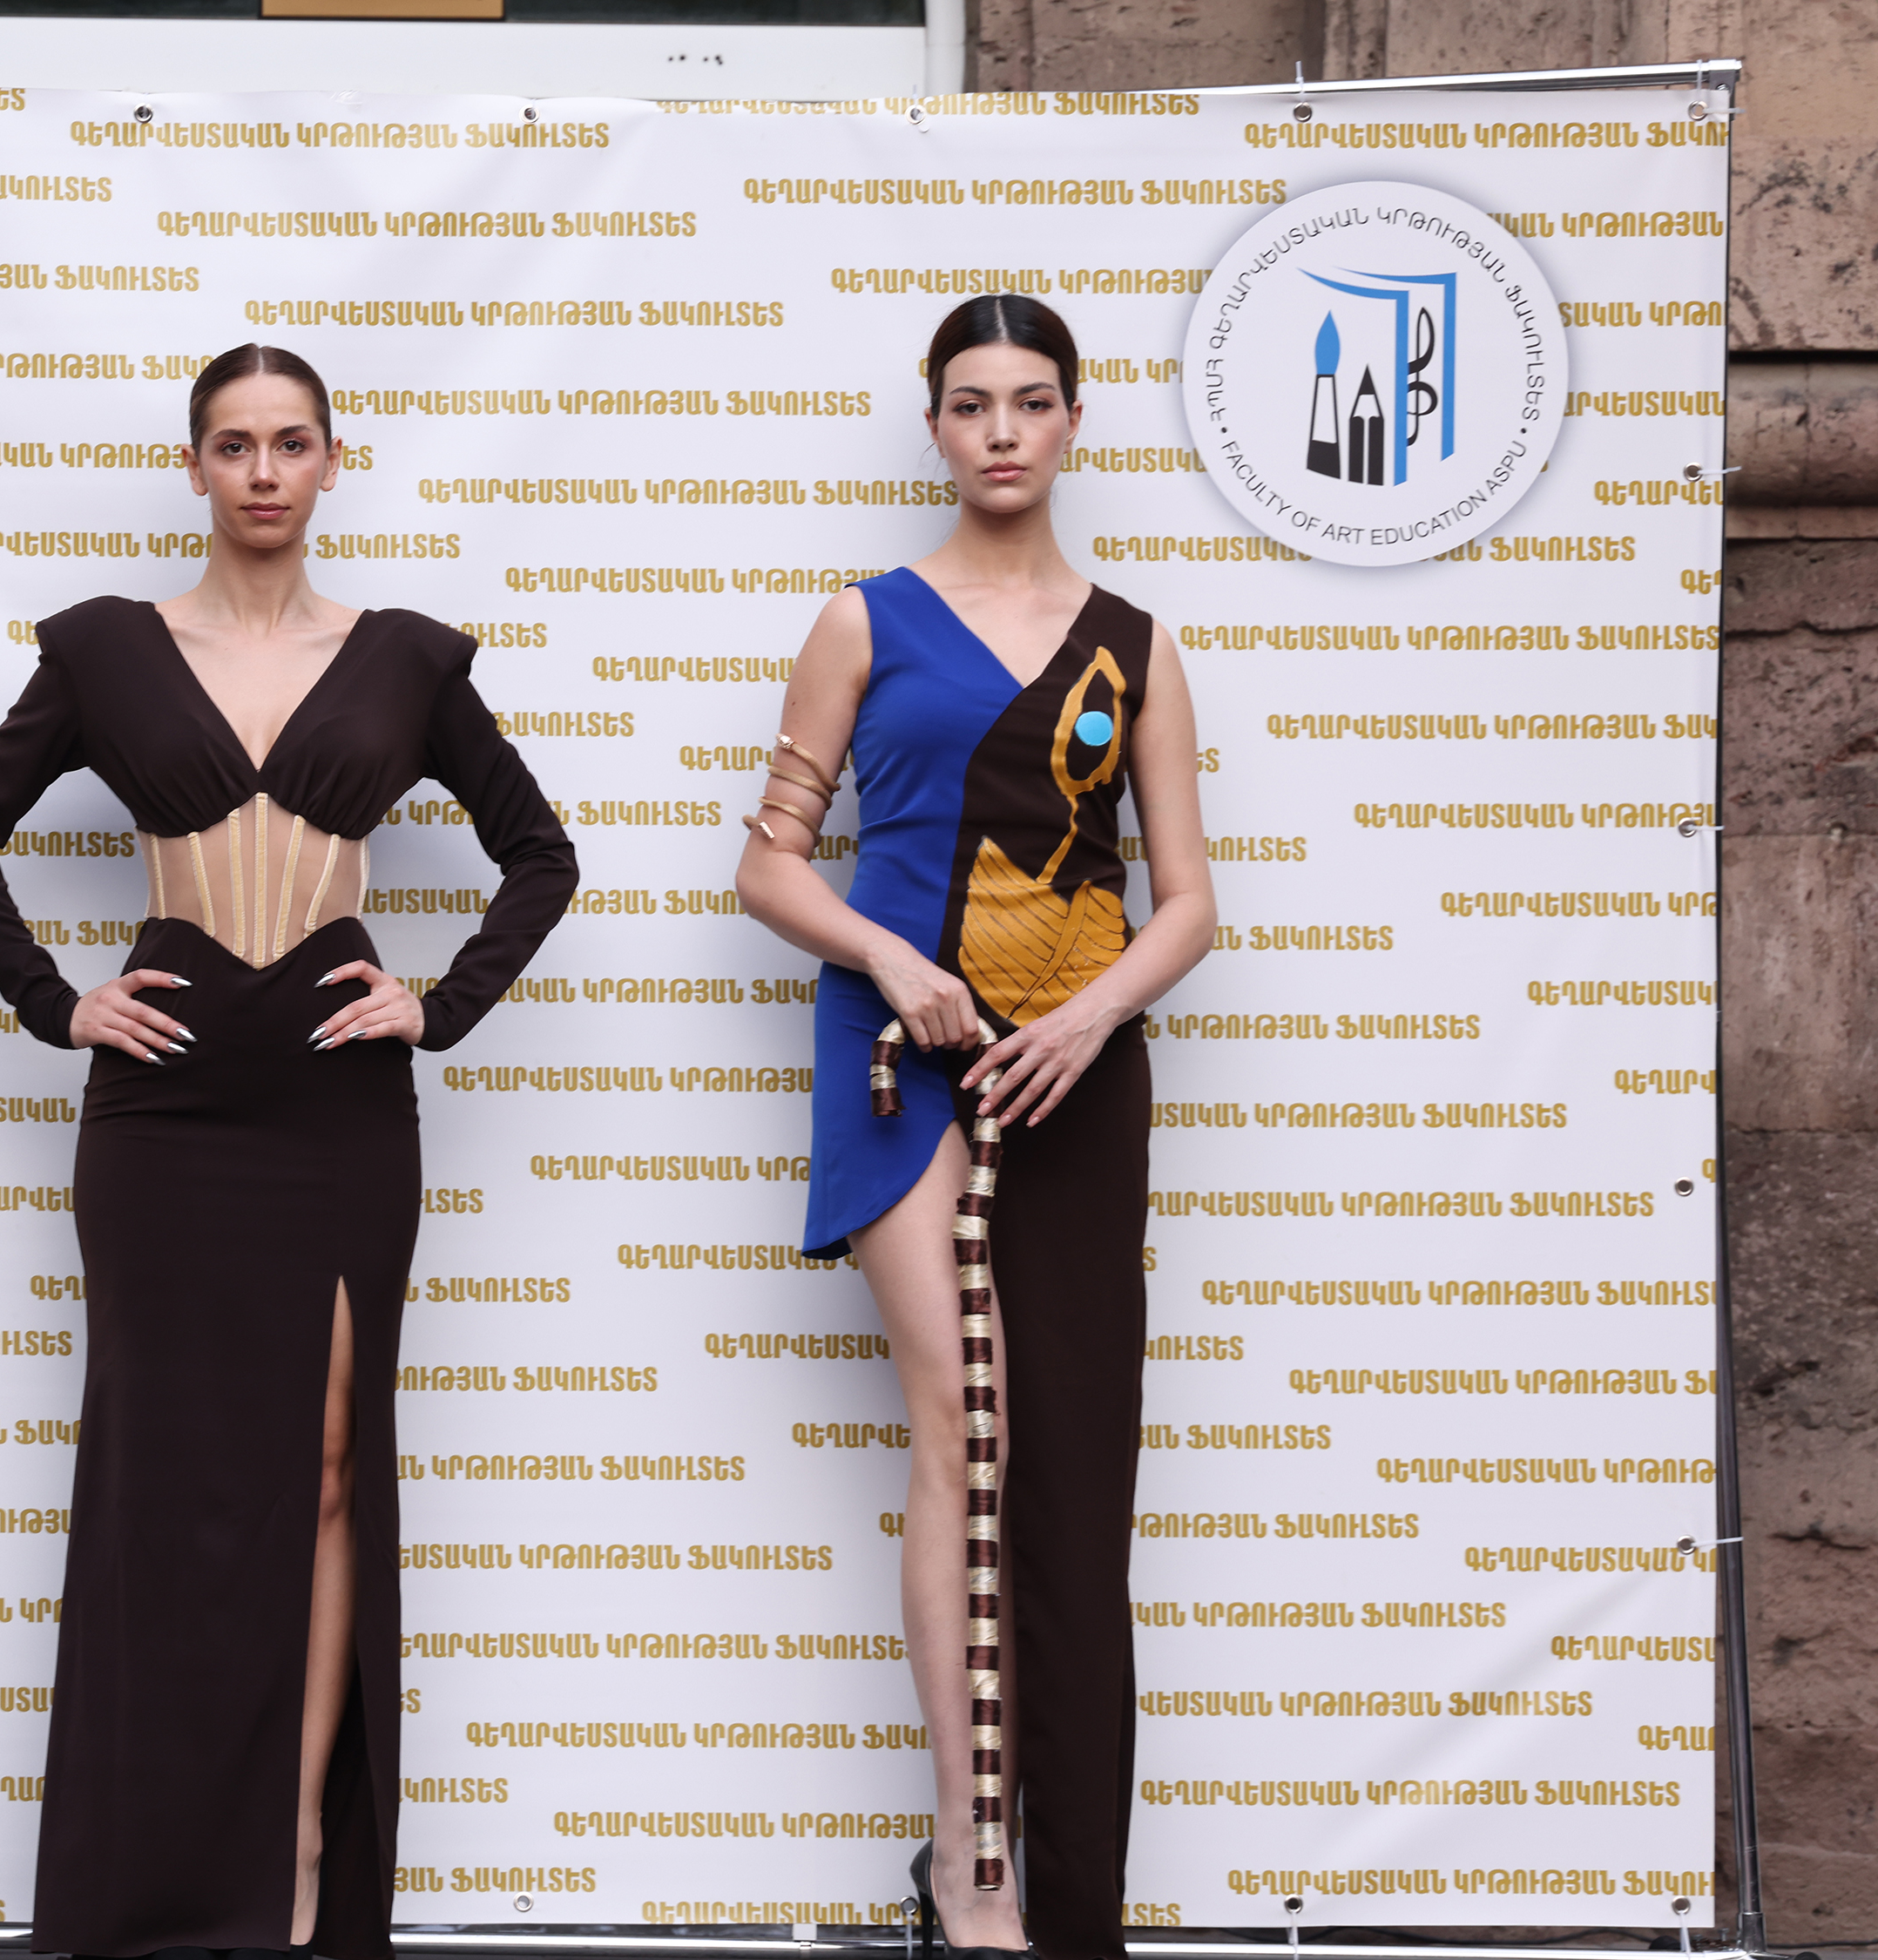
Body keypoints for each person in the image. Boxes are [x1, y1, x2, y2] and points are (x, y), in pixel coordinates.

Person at [0, 343, 578, 1960]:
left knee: (333, 1464)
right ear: (196, 465)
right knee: (164, 1485)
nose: (265, 472)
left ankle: (294, 1856)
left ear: (333, 462)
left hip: (338, 1102)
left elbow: (541, 853)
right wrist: (56, 1001)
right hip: (167, 1103)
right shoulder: (105, 649)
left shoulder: (407, 655)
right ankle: (156, 1884)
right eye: (234, 444)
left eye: (292, 444)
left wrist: (440, 1004)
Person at [732, 294, 1215, 1960]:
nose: (1001, 430)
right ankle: (969, 1856)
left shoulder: (1137, 644)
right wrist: (888, 958)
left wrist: (1088, 1019)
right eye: (969, 403)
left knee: (1067, 1459)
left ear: (1074, 421)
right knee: (966, 1423)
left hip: (1075, 1069)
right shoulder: (862, 620)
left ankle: (1062, 1870)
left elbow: (1189, 901)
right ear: (934, 427)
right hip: (900, 1060)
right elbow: (768, 867)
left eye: (1030, 401)